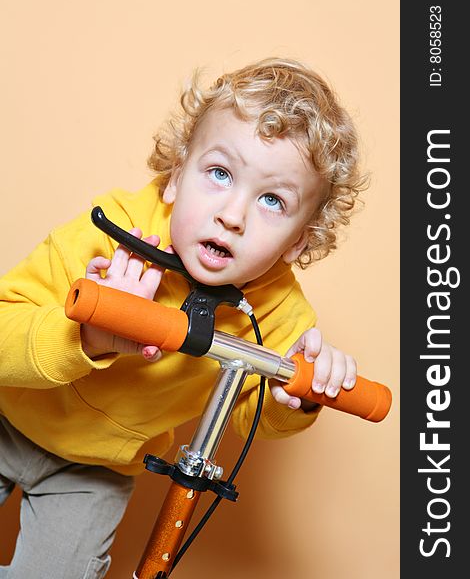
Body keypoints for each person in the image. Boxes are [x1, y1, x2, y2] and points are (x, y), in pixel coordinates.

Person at [0, 58, 367, 578]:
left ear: (298, 241)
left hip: (93, 469)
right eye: (219, 174)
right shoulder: (112, 229)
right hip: (7, 412)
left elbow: (248, 412)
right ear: (175, 177)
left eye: (271, 200)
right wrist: (86, 334)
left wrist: (295, 396)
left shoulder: (282, 314)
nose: (233, 215)